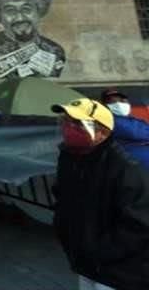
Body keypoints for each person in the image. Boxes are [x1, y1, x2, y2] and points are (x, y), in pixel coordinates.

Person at [51, 98, 149, 290]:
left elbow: (139, 224)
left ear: (102, 132)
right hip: (85, 263)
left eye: (78, 124)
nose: (69, 128)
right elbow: (63, 198)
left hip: (120, 272)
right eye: (66, 121)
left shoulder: (126, 169)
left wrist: (98, 251)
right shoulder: (70, 158)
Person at [101, 89, 149, 169]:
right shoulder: (110, 121)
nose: (121, 102)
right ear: (106, 105)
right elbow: (135, 133)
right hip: (136, 166)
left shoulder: (133, 119)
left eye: (123, 100)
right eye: (115, 100)